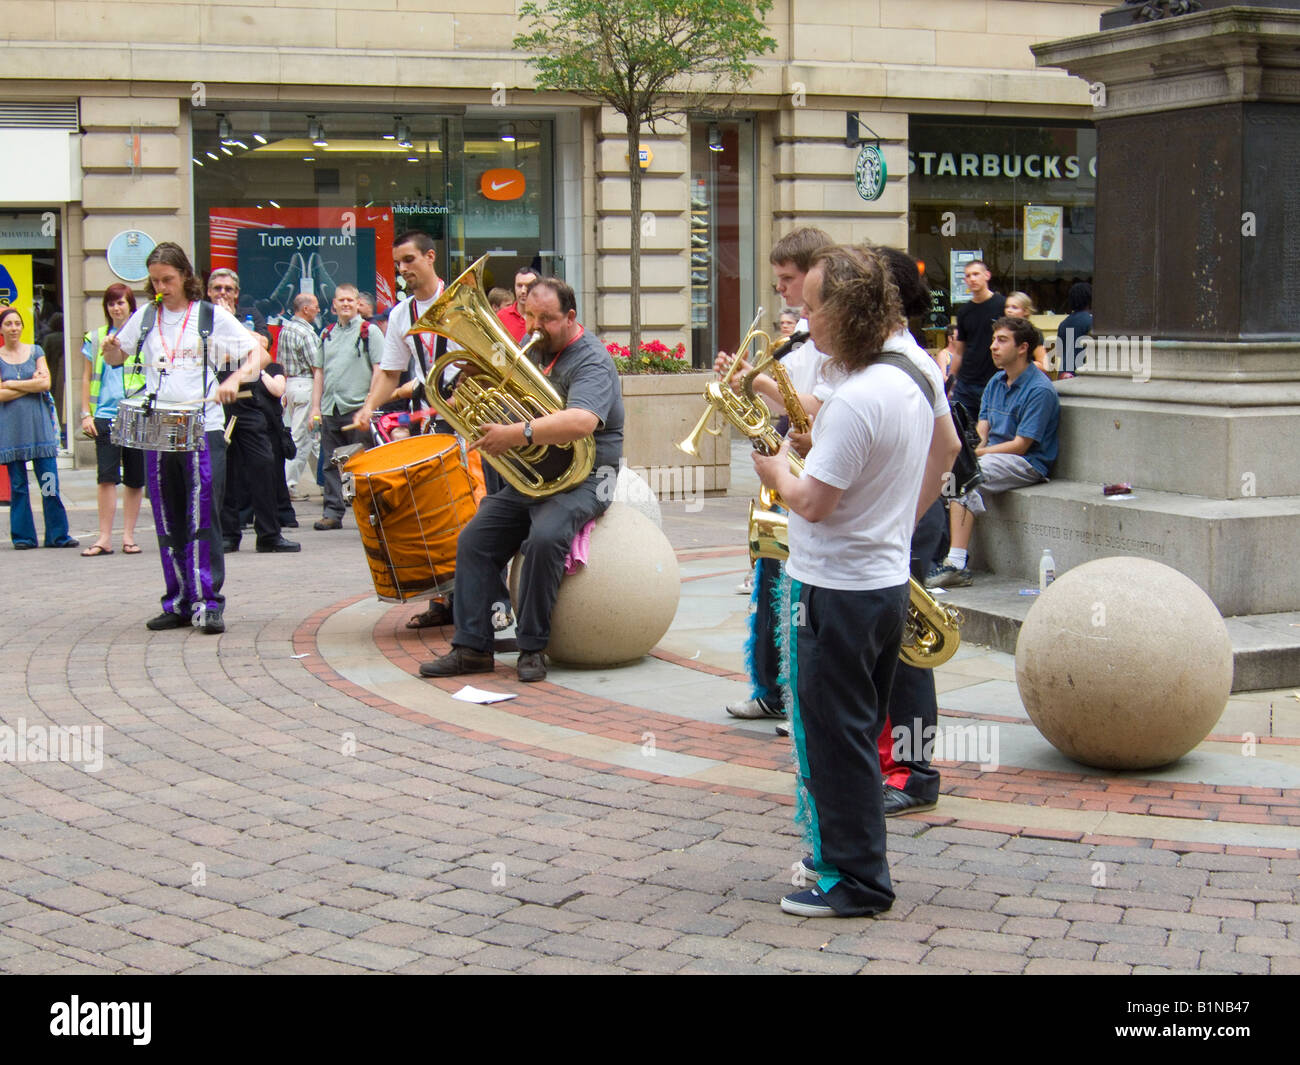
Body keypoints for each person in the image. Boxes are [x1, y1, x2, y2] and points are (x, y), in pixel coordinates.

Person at [752, 244, 934, 918]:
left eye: (811, 307)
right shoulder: (907, 377)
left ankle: (856, 878)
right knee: (851, 729)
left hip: (834, 586)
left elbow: (813, 502)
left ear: (846, 312)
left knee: (833, 734)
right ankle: (845, 860)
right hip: (880, 581)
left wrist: (775, 469)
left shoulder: (859, 397)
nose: (802, 319)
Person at [417, 276, 623, 684]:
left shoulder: (591, 360)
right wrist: (473, 388)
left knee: (545, 538)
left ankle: (532, 646)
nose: (534, 326)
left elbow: (582, 421)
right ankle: (471, 647)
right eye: (529, 315)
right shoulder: (535, 350)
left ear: (570, 317)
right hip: (535, 475)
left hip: (586, 477)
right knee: (474, 540)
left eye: (546, 319)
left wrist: (515, 434)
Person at [100, 242, 260, 633]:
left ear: (185, 277)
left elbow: (257, 355)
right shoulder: (147, 315)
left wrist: (236, 378)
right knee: (167, 516)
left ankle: (209, 600)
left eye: (167, 280)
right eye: (154, 281)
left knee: (202, 514)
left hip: (201, 424)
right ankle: (178, 600)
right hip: (160, 425)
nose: (160, 287)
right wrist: (109, 350)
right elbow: (116, 357)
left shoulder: (209, 316)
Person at [714, 227, 832, 724]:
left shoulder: (829, 337)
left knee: (799, 598)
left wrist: (756, 379)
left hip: (816, 476)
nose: (779, 288)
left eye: (787, 278)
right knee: (769, 583)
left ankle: (798, 699)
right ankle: (769, 688)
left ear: (815, 275)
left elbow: (819, 405)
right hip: (784, 467)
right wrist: (740, 386)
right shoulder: (801, 336)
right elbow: (782, 404)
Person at [870, 246, 962, 817]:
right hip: (896, 518)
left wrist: (902, 518)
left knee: (907, 651)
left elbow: (946, 448)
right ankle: (891, 763)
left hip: (906, 519)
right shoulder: (888, 353)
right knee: (888, 651)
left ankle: (915, 771)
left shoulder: (909, 360)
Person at [927, 316, 1061, 590]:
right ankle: (939, 555)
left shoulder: (1040, 390)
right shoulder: (996, 382)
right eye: (993, 340)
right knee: (947, 473)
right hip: (992, 456)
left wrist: (977, 456)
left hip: (1027, 462)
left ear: (1022, 348)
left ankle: (956, 563)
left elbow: (1021, 444)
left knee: (967, 477)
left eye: (1002, 340)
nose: (993, 347)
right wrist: (969, 453)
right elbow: (982, 429)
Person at [208, 274, 299, 555]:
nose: (222, 293)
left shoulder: (249, 314)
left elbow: (262, 345)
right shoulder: (201, 317)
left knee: (264, 465)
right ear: (208, 292)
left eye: (228, 289)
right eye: (217, 288)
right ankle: (228, 533)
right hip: (216, 402)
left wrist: (231, 326)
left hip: (248, 400)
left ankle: (270, 534)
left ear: (237, 292)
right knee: (224, 471)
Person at [350, 230, 447, 435]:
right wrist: (369, 407)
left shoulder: (462, 302)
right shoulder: (399, 314)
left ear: (430, 256)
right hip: (427, 420)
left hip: (469, 418)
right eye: (398, 263)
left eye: (409, 259)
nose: (402, 268)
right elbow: (390, 373)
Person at [0, 307, 79, 550]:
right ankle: (23, 537)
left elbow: (46, 383)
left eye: (17, 323)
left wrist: (12, 383)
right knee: (18, 487)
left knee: (49, 483)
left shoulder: (36, 351)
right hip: (12, 432)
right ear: (1, 329)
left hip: (40, 429)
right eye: (8, 324)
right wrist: (30, 384)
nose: (14, 327)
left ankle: (58, 535)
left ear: (23, 326)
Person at [79, 284, 145, 556]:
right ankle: (104, 537)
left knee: (134, 478)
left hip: (137, 412)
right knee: (106, 477)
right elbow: (86, 376)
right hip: (105, 414)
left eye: (121, 302)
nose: (116, 308)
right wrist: (85, 413)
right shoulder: (95, 338)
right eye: (111, 303)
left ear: (130, 305)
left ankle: (128, 536)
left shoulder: (143, 335)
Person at [311, 283, 383, 531]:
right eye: (341, 300)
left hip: (357, 408)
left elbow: (379, 370)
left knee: (362, 464)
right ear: (333, 305)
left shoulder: (369, 332)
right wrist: (315, 408)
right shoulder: (326, 334)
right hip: (331, 408)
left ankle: (369, 513)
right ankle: (332, 512)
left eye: (350, 300)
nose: (345, 304)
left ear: (357, 304)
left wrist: (370, 404)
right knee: (331, 463)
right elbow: (318, 373)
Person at [276, 290, 323, 496]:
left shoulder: (286, 329)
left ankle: (322, 481)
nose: (318, 309)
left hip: (290, 385)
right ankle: (287, 484)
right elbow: (317, 366)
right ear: (305, 309)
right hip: (307, 385)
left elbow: (280, 362)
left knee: (311, 439)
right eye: (315, 306)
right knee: (301, 438)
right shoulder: (307, 333)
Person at [949, 260, 1005, 420]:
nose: (972, 279)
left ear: (987, 275)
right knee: (960, 428)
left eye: (976, 274)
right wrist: (951, 378)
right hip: (966, 382)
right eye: (968, 276)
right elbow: (959, 351)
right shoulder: (964, 311)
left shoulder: (1002, 305)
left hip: (995, 380)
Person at [1003, 291, 1048, 372]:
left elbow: (1043, 365)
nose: (1009, 310)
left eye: (1014, 307)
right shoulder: (1003, 332)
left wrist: (1020, 364)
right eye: (1007, 307)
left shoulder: (1033, 333)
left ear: (1026, 311)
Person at [1056, 281, 1092, 377]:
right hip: (1081, 373)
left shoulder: (1063, 324)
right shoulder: (1091, 322)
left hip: (1063, 373)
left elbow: (1059, 351)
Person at [496, 266, 537, 343]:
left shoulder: (544, 317)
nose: (523, 291)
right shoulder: (501, 316)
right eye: (519, 285)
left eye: (528, 286)